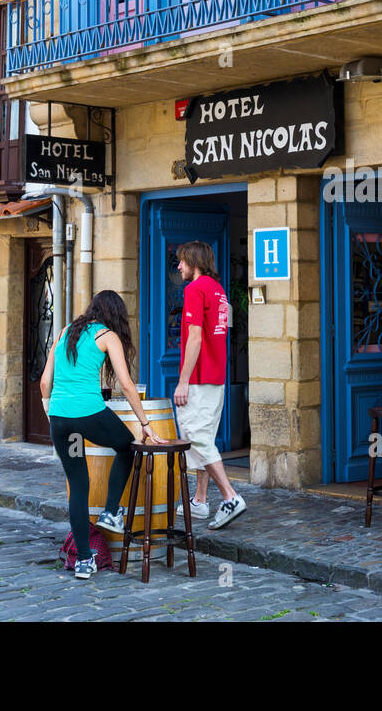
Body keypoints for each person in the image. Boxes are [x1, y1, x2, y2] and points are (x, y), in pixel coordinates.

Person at [40, 289, 161, 579]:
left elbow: (45, 382)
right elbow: (128, 384)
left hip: (61, 420)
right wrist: (145, 424)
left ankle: (83, 560)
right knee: (126, 445)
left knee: (78, 484)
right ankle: (110, 511)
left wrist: (52, 416)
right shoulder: (107, 336)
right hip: (90, 415)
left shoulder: (66, 332)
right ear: (115, 315)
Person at [174, 241, 246, 530]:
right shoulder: (218, 289)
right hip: (217, 378)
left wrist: (183, 381)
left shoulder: (194, 289)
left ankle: (230, 497)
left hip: (200, 379)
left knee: (197, 438)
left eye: (181, 261)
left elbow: (195, 338)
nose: (179, 266)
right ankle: (200, 501)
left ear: (194, 261)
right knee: (206, 437)